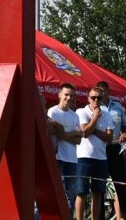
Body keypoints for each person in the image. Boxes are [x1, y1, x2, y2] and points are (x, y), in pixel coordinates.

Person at [97, 81, 126, 220]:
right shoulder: (94, 106)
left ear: (108, 91)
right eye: (99, 91)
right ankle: (99, 216)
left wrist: (124, 133)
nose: (102, 93)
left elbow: (125, 126)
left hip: (115, 148)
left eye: (104, 90)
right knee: (99, 184)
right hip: (100, 149)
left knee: (120, 184)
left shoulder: (118, 106)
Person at [74, 86, 113, 220]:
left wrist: (94, 130)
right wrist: (95, 118)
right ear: (88, 98)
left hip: (101, 158)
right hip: (83, 158)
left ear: (103, 98)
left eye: (99, 98)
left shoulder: (107, 113)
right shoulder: (81, 111)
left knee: (98, 193)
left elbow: (109, 138)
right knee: (81, 192)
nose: (96, 100)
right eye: (93, 98)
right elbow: (85, 133)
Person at [47, 83, 82, 211]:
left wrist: (63, 134)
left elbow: (78, 140)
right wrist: (74, 133)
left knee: (70, 195)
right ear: (60, 95)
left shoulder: (75, 115)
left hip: (72, 160)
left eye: (71, 95)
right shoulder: (53, 111)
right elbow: (53, 134)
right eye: (66, 94)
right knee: (56, 192)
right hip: (58, 158)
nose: (69, 98)